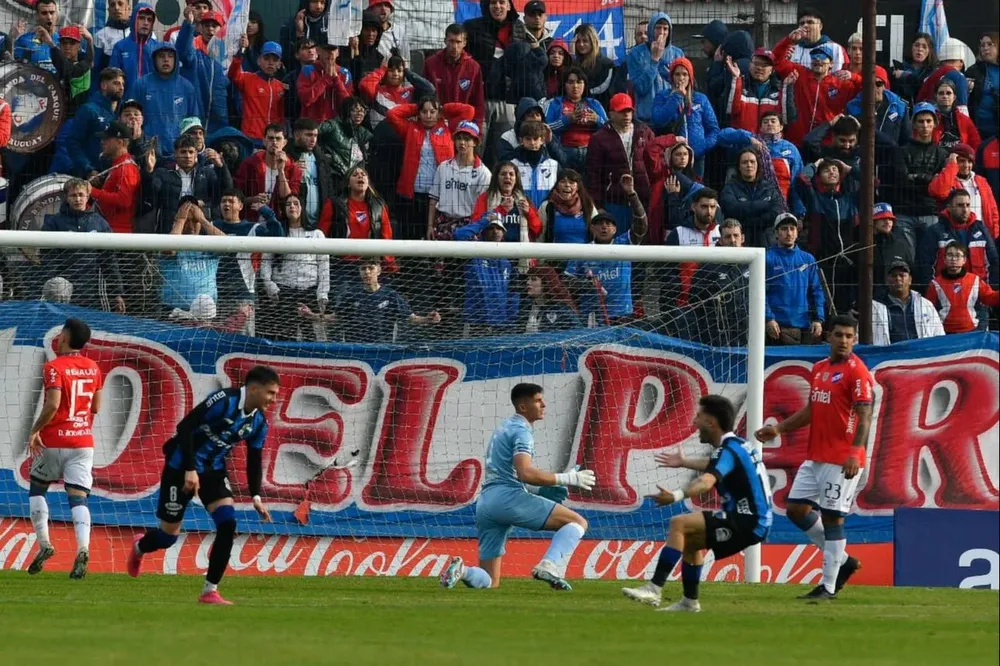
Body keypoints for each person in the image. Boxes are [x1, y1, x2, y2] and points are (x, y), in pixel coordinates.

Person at [127, 366, 279, 605]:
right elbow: (185, 427)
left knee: (228, 523)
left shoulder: (258, 422)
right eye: (271, 393)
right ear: (253, 389)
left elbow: (254, 459)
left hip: (213, 471)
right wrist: (189, 469)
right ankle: (139, 547)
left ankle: (210, 591)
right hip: (181, 466)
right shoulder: (224, 400)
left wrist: (256, 496)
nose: (274, 399)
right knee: (168, 538)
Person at [755, 314, 872, 600]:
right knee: (795, 509)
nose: (843, 340)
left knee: (833, 519)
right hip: (816, 455)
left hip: (841, 459)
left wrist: (854, 452)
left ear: (855, 340)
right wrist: (778, 429)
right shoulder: (819, 368)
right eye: (839, 335)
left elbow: (865, 416)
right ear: (828, 336)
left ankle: (828, 587)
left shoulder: (857, 372)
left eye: (849, 336)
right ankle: (844, 561)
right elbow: (812, 410)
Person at [438, 383, 596, 591]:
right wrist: (568, 478)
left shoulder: (504, 427)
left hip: (486, 502)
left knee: (491, 580)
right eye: (538, 400)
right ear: (523, 406)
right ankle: (549, 565)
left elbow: (508, 473)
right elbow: (525, 473)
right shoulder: (522, 432)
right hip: (508, 498)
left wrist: (540, 490)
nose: (543, 404)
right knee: (577, 522)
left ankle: (463, 570)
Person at [622, 395, 772, 612]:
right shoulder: (738, 445)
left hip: (748, 519)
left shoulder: (728, 450)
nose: (694, 421)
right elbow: (717, 464)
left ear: (711, 422)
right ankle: (689, 602)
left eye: (698, 416)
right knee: (691, 542)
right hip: (756, 519)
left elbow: (706, 481)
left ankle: (653, 589)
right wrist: (684, 462)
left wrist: (675, 496)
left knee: (679, 523)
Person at [25, 318, 103, 580]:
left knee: (38, 488)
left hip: (54, 440)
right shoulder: (93, 367)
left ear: (66, 338)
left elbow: (52, 404)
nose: (58, 337)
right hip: (83, 443)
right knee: (78, 498)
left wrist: (35, 430)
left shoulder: (53, 367)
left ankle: (45, 543)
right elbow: (96, 407)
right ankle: (83, 548)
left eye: (61, 333)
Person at [386, 97, 476, 239]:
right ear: (419, 113)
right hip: (413, 192)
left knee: (436, 235)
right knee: (411, 234)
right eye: (424, 112)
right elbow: (392, 114)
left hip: (440, 192)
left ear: (438, 113)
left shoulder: (448, 127)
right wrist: (415, 107)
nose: (428, 116)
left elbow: (469, 111)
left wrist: (443, 109)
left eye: (432, 112)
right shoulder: (410, 127)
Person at [565, 183, 648, 324]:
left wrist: (632, 195)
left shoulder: (624, 243)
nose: (604, 227)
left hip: (622, 314)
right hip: (592, 316)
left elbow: (642, 225)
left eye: (608, 224)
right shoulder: (582, 251)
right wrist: (585, 284)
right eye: (600, 224)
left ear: (615, 229)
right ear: (592, 228)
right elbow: (567, 280)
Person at [39, 178, 125, 313]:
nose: (78, 199)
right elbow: (48, 260)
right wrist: (54, 287)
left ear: (88, 196)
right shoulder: (53, 223)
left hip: (93, 292)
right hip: (62, 292)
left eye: (81, 195)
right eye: (73, 195)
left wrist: (116, 293)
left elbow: (109, 261)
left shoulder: (100, 223)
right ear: (66, 198)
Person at [259, 195, 331, 341]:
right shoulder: (278, 234)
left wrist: (322, 293)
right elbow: (266, 261)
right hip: (283, 293)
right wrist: (269, 284)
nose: (292, 206)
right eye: (288, 204)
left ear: (302, 208)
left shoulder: (316, 234)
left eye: (296, 203)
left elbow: (324, 266)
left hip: (309, 292)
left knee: (312, 339)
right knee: (285, 337)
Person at [773, 29, 861, 145]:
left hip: (826, 141)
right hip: (798, 138)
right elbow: (776, 61)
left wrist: (854, 77)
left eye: (823, 57)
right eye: (814, 57)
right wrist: (788, 41)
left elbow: (868, 91)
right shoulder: (800, 74)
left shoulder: (841, 84)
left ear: (831, 64)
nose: (818, 59)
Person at [584, 93, 654, 233]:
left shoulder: (645, 132)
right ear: (611, 114)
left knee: (642, 239)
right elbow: (593, 174)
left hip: (642, 198)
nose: (626, 115)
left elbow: (653, 165)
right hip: (614, 201)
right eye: (622, 111)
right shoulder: (599, 138)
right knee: (617, 240)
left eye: (629, 111)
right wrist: (598, 205)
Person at [463, 0, 527, 151]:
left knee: (504, 149)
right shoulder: (472, 27)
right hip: (480, 99)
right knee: (476, 147)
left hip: (507, 100)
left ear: (509, 5)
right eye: (493, 2)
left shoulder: (519, 27)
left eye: (501, 2)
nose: (497, 6)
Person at [717, 112, 804, 219]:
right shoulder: (750, 143)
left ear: (781, 126)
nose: (769, 124)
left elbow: (796, 182)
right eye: (765, 122)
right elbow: (721, 136)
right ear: (761, 127)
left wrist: (799, 212)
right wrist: (749, 138)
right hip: (752, 203)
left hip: (779, 206)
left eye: (773, 121)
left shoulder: (791, 149)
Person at [333, 258, 441, 343]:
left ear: (379, 271)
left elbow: (410, 318)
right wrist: (321, 317)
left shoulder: (390, 295)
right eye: (363, 268)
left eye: (371, 268)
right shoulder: (351, 294)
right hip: (355, 349)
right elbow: (336, 317)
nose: (367, 272)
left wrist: (427, 319)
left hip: (382, 349)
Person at [141, 134, 232, 234]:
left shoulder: (207, 174)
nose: (187, 156)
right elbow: (149, 197)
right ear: (175, 153)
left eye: (191, 152)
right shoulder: (163, 173)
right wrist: (149, 172)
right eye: (183, 152)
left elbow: (226, 192)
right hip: (170, 229)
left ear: (196, 154)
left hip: (200, 230)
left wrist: (221, 167)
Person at [892, 102, 950, 250]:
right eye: (921, 121)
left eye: (928, 121)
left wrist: (915, 177)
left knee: (929, 256)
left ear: (935, 124)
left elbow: (941, 186)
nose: (925, 125)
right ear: (914, 124)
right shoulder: (902, 151)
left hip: (930, 212)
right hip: (904, 212)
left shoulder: (942, 153)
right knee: (905, 257)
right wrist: (930, 179)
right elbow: (902, 181)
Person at [128, 42, 199, 156]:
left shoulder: (187, 87)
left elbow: (194, 121)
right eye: (161, 56)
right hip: (148, 150)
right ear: (154, 60)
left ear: (175, 60)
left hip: (179, 152)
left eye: (170, 56)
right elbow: (131, 117)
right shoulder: (141, 85)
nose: (166, 60)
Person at [652, 57, 719, 178]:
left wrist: (703, 146)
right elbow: (658, 120)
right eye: (677, 74)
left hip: (697, 158)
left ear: (690, 77)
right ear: (672, 77)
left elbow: (714, 129)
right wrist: (676, 97)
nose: (681, 78)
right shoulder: (662, 96)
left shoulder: (701, 99)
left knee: (696, 188)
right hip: (671, 157)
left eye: (685, 74)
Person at [765, 213, 826, 345]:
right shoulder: (767, 258)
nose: (789, 233)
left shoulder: (808, 259)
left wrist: (818, 319)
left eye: (792, 229)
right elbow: (759, 292)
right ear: (776, 233)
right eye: (784, 229)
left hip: (804, 326)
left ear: (797, 232)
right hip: (775, 327)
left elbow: (816, 291)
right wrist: (768, 318)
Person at [918, 189, 1000, 287]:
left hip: (978, 290)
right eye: (960, 205)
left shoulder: (981, 229)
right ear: (949, 207)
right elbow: (926, 265)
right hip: (946, 290)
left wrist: (990, 290)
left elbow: (993, 262)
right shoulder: (935, 231)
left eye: (968, 205)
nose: (965, 210)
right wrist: (934, 290)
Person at [53, 66, 124, 178]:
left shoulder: (124, 112)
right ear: (104, 85)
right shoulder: (88, 110)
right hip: (90, 175)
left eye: (122, 84)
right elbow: (73, 142)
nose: (121, 87)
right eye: (116, 83)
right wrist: (87, 168)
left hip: (115, 174)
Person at [428, 121, 491, 241]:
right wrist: (430, 226)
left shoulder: (483, 173)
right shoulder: (443, 167)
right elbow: (433, 199)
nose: (462, 142)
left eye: (467, 139)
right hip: (443, 225)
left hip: (469, 226)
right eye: (459, 138)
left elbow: (484, 207)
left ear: (475, 142)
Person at [926, 240, 1000, 333]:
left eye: (958, 255)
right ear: (944, 259)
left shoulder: (975, 280)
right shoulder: (935, 283)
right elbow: (928, 310)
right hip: (945, 333)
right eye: (950, 255)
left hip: (972, 332)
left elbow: (990, 298)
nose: (953, 259)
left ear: (964, 260)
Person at [423, 24, 486, 131]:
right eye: (451, 41)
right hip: (436, 123)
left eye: (458, 42)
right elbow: (423, 95)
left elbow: (478, 101)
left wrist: (477, 128)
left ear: (464, 43)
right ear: (445, 41)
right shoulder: (431, 64)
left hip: (463, 125)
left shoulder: (474, 67)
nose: (454, 46)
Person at [176, 6, 229, 133]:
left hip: (219, 120)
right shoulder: (194, 54)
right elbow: (182, 51)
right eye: (206, 25)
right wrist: (189, 24)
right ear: (200, 28)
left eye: (214, 26)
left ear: (221, 29)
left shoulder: (227, 57)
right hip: (195, 117)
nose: (210, 29)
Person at [928, 144, 1000, 239]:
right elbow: (938, 192)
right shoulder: (946, 179)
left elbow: (992, 209)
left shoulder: (981, 181)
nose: (966, 165)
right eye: (961, 161)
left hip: (981, 235)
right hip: (954, 235)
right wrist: (951, 165)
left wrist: (994, 232)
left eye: (969, 161)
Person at [234, 123, 303, 222]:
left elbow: (287, 198)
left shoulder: (293, 169)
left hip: (279, 222)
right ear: (264, 141)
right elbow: (236, 196)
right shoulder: (249, 164)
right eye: (271, 138)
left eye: (278, 138)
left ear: (285, 143)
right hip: (251, 221)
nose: (274, 142)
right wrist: (252, 199)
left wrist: (281, 171)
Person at [544, 66, 607, 171]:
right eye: (570, 82)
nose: (575, 86)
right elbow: (545, 128)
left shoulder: (594, 104)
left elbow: (609, 128)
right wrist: (567, 120)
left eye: (579, 82)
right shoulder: (554, 103)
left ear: (584, 84)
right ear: (564, 84)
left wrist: (597, 120)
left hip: (590, 150)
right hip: (563, 151)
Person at [720, 147, 786, 248]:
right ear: (738, 166)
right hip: (740, 244)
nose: (749, 165)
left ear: (757, 165)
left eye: (752, 162)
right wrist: (764, 204)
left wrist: (748, 221)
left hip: (767, 242)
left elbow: (777, 212)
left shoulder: (769, 187)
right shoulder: (730, 188)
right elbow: (732, 210)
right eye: (744, 162)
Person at [627, 12, 683, 125]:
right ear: (651, 30)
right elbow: (640, 88)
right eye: (658, 28)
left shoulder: (677, 53)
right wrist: (654, 60)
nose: (661, 32)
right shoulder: (635, 54)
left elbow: (683, 84)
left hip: (672, 118)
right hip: (646, 119)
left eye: (665, 29)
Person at [724, 48, 796, 134]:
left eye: (764, 65)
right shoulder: (739, 84)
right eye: (756, 63)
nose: (759, 68)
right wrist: (735, 79)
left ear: (772, 70)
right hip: (744, 140)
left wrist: (788, 87)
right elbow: (731, 110)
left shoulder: (779, 89)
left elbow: (788, 118)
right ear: (750, 65)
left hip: (770, 141)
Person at [872, 260, 945, 345]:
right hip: (889, 353)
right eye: (894, 275)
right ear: (887, 280)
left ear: (910, 280)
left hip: (920, 352)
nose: (898, 279)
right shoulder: (875, 307)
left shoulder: (925, 305)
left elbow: (939, 335)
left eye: (902, 275)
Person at [469, 161, 542, 243]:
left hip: (519, 249)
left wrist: (529, 213)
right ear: (497, 178)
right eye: (503, 174)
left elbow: (538, 230)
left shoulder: (525, 199)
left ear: (516, 179)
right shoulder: (485, 198)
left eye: (511, 174)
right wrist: (501, 210)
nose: (507, 177)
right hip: (494, 249)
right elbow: (476, 227)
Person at [228, 39, 286, 142]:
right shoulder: (248, 78)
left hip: (273, 139)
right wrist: (240, 52)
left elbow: (281, 116)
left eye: (275, 60)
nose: (270, 63)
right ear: (259, 61)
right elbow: (233, 74)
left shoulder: (280, 86)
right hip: (251, 137)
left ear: (279, 64)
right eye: (266, 58)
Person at [89, 120, 141, 234]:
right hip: (110, 229)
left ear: (119, 142)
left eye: (107, 139)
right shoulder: (119, 164)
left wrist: (92, 191)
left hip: (118, 232)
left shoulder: (126, 168)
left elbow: (124, 201)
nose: (102, 142)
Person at [359, 54, 434, 127]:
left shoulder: (411, 92)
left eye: (399, 70)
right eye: (391, 70)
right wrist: (382, 69)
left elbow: (429, 89)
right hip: (381, 133)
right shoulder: (377, 91)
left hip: (405, 134)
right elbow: (364, 85)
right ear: (386, 72)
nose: (395, 74)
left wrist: (408, 72)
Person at [288, 118, 335, 229]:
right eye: (309, 135)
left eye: (315, 135)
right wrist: (290, 170)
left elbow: (329, 190)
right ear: (297, 135)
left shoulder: (321, 159)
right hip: (294, 224)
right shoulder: (286, 156)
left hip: (320, 224)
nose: (313, 139)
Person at [845, 66, 910, 146]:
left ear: (884, 86)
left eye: (878, 84)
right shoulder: (852, 107)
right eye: (870, 84)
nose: (874, 88)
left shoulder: (899, 106)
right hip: (863, 152)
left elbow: (906, 140)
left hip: (891, 152)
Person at [319, 96, 373, 189]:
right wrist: (326, 155)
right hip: (334, 176)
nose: (359, 113)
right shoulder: (332, 125)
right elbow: (313, 134)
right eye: (354, 110)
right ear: (346, 111)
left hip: (352, 179)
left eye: (362, 110)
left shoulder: (363, 133)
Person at [108, 3, 160, 91]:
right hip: (127, 98)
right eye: (141, 18)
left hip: (151, 98)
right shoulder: (120, 47)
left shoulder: (158, 48)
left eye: (149, 19)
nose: (146, 23)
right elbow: (113, 79)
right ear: (133, 20)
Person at [509, 120, 560, 210]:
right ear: (521, 140)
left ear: (542, 140)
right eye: (528, 139)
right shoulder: (513, 165)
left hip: (546, 214)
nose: (532, 143)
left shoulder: (553, 165)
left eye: (535, 139)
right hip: (521, 213)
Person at [516, 265, 581, 333]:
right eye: (528, 279)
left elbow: (578, 332)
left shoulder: (561, 309)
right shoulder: (525, 306)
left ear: (546, 283)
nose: (528, 282)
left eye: (533, 279)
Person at [539, 169, 597, 244]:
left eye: (571, 182)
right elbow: (539, 236)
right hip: (554, 251)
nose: (567, 185)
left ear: (578, 187)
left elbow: (597, 232)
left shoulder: (588, 205)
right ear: (557, 185)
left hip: (584, 251)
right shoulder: (547, 206)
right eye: (563, 182)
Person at [783, 7, 848, 73]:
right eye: (802, 23)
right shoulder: (792, 50)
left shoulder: (835, 48)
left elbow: (844, 74)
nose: (805, 25)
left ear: (820, 26)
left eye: (810, 22)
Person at [573, 23, 623, 111]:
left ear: (593, 42)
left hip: (600, 111)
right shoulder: (574, 64)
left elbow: (603, 89)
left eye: (585, 41)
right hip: (576, 110)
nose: (581, 44)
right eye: (578, 41)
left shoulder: (607, 65)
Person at [871, 203, 915, 301]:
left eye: (890, 219)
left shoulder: (901, 245)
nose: (887, 222)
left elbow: (911, 270)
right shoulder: (863, 246)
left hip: (897, 298)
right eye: (882, 219)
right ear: (873, 222)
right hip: (870, 298)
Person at [48, 25, 94, 113]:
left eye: (72, 43)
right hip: (56, 115)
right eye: (64, 43)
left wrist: (90, 40)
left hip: (77, 116)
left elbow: (69, 69)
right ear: (60, 45)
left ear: (79, 47)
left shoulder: (84, 66)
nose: (67, 46)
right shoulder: (56, 67)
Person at [12, 0, 63, 73]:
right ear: (36, 16)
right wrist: (11, 39)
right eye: (44, 13)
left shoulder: (64, 40)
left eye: (52, 13)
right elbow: (14, 70)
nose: (49, 17)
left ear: (57, 15)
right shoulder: (24, 40)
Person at [932, 80, 982, 151]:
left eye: (948, 93)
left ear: (954, 97)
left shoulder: (964, 119)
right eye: (941, 93)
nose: (945, 96)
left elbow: (976, 144)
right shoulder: (929, 119)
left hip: (960, 156)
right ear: (935, 96)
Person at [968, 32, 999, 141]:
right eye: (982, 45)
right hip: (977, 128)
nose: (985, 48)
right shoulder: (972, 71)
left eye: (990, 44)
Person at [92, 0, 133, 79]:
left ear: (129, 8)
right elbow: (96, 70)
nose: (116, 8)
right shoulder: (100, 36)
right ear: (108, 10)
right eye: (112, 5)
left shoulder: (141, 33)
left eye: (120, 4)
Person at [892, 32, 937, 104]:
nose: (920, 49)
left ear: (929, 51)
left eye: (924, 47)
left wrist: (905, 75)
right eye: (917, 45)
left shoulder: (933, 72)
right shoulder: (898, 67)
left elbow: (925, 85)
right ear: (911, 47)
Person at [369, 0, 410, 66]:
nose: (383, 8)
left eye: (386, 5)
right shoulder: (365, 31)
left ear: (391, 9)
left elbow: (406, 60)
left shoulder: (399, 31)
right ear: (371, 9)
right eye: (379, 5)